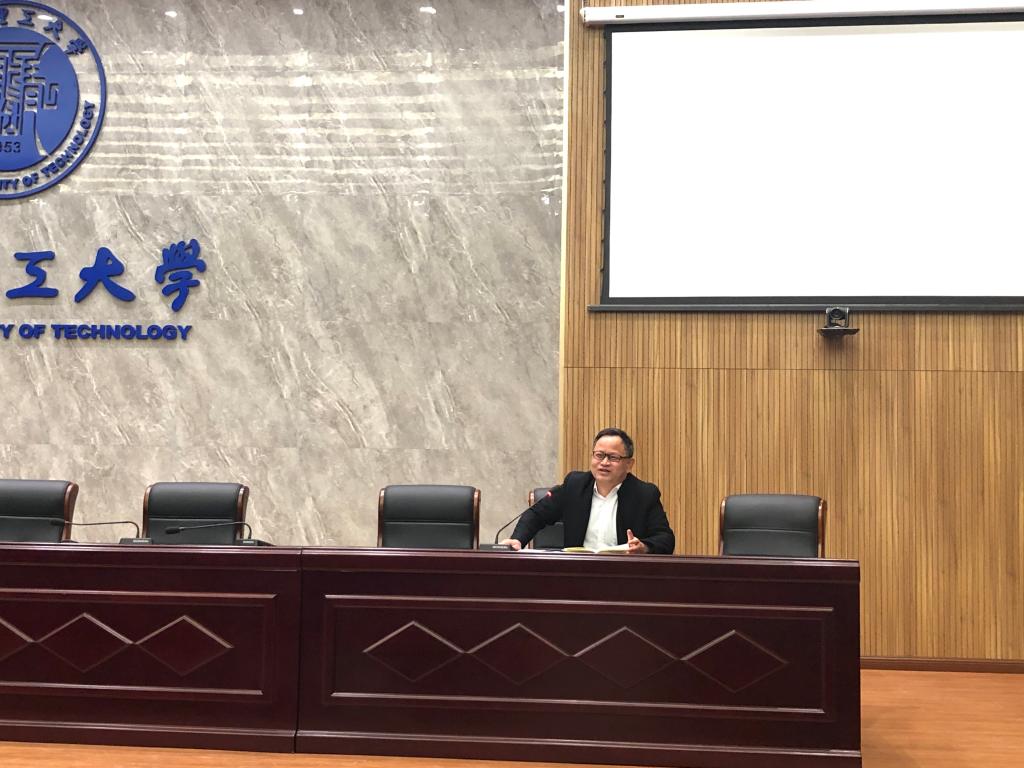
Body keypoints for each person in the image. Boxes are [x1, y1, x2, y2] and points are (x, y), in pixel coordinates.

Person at [501, 427, 675, 554]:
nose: (604, 462)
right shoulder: (575, 485)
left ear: (629, 464)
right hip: (578, 572)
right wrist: (518, 540)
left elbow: (665, 539)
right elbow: (536, 514)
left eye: (613, 457)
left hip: (623, 575)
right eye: (599, 455)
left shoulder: (644, 494)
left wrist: (644, 547)